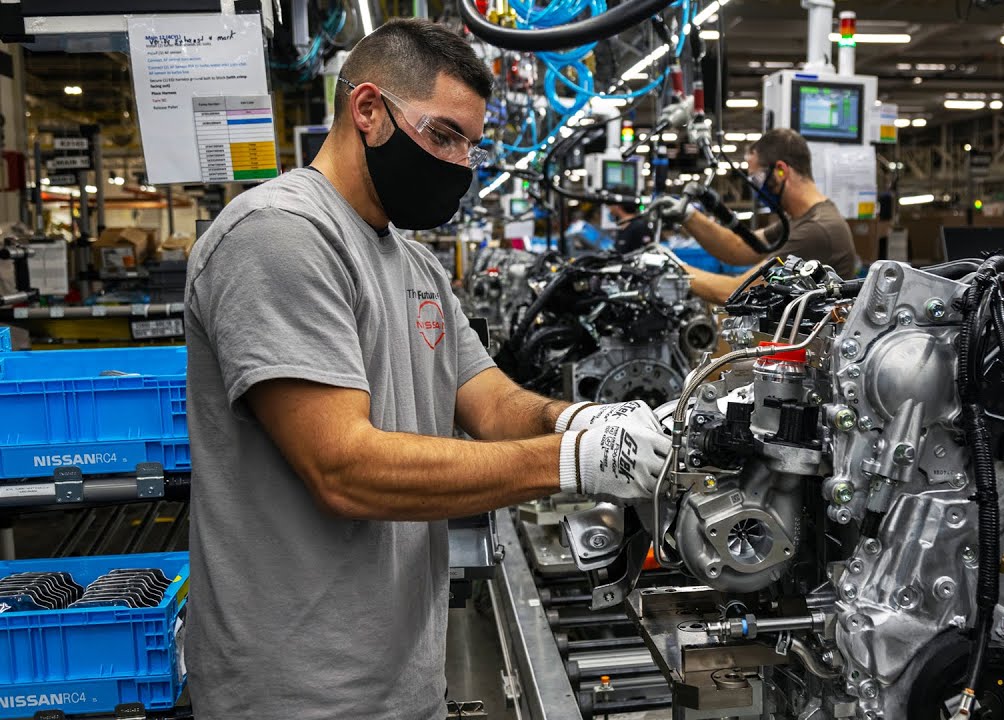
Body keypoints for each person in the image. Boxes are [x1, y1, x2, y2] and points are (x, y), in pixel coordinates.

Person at [183, 20, 670, 719]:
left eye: (472, 145)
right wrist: (572, 460)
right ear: (369, 111)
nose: (461, 163)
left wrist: (584, 418)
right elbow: (342, 468)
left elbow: (491, 402)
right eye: (443, 136)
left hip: (403, 679)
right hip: (297, 692)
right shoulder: (279, 235)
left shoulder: (413, 263)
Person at [654, 128, 859, 303]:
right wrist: (689, 216)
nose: (755, 188)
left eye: (757, 178)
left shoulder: (816, 230)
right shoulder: (800, 219)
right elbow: (740, 247)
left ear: (781, 170)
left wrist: (668, 271)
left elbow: (737, 291)